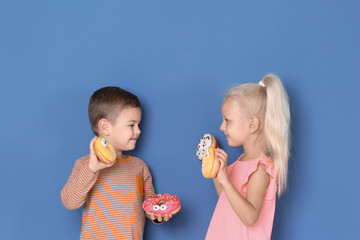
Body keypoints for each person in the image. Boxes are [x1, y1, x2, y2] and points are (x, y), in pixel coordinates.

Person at [61, 86, 171, 240]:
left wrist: (157, 213)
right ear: (105, 127)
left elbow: (149, 204)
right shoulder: (85, 164)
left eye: (139, 125)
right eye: (131, 125)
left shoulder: (140, 167)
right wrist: (92, 169)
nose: (138, 131)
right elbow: (69, 201)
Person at [205, 74, 291, 240]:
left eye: (228, 120)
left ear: (252, 124)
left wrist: (226, 181)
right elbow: (226, 199)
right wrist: (217, 175)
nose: (221, 127)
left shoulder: (260, 169)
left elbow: (250, 217)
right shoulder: (241, 161)